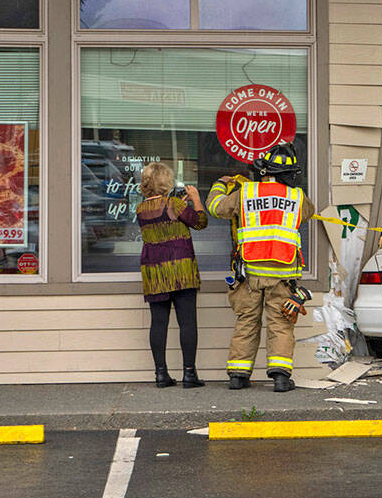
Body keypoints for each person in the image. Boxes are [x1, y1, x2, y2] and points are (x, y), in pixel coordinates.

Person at [207, 141, 315, 392]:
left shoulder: (245, 193)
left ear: (262, 169)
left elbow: (216, 208)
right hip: (283, 276)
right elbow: (307, 214)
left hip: (249, 274)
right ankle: (280, 378)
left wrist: (220, 185)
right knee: (281, 324)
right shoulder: (298, 197)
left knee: (247, 321)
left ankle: (238, 376)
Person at [135, 162, 208, 389]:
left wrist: (180, 206)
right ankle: (189, 374)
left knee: (159, 323)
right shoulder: (174, 204)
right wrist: (195, 199)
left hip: (155, 270)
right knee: (187, 322)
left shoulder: (140, 209)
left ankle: (161, 374)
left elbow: (162, 217)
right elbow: (200, 222)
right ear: (165, 182)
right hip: (181, 269)